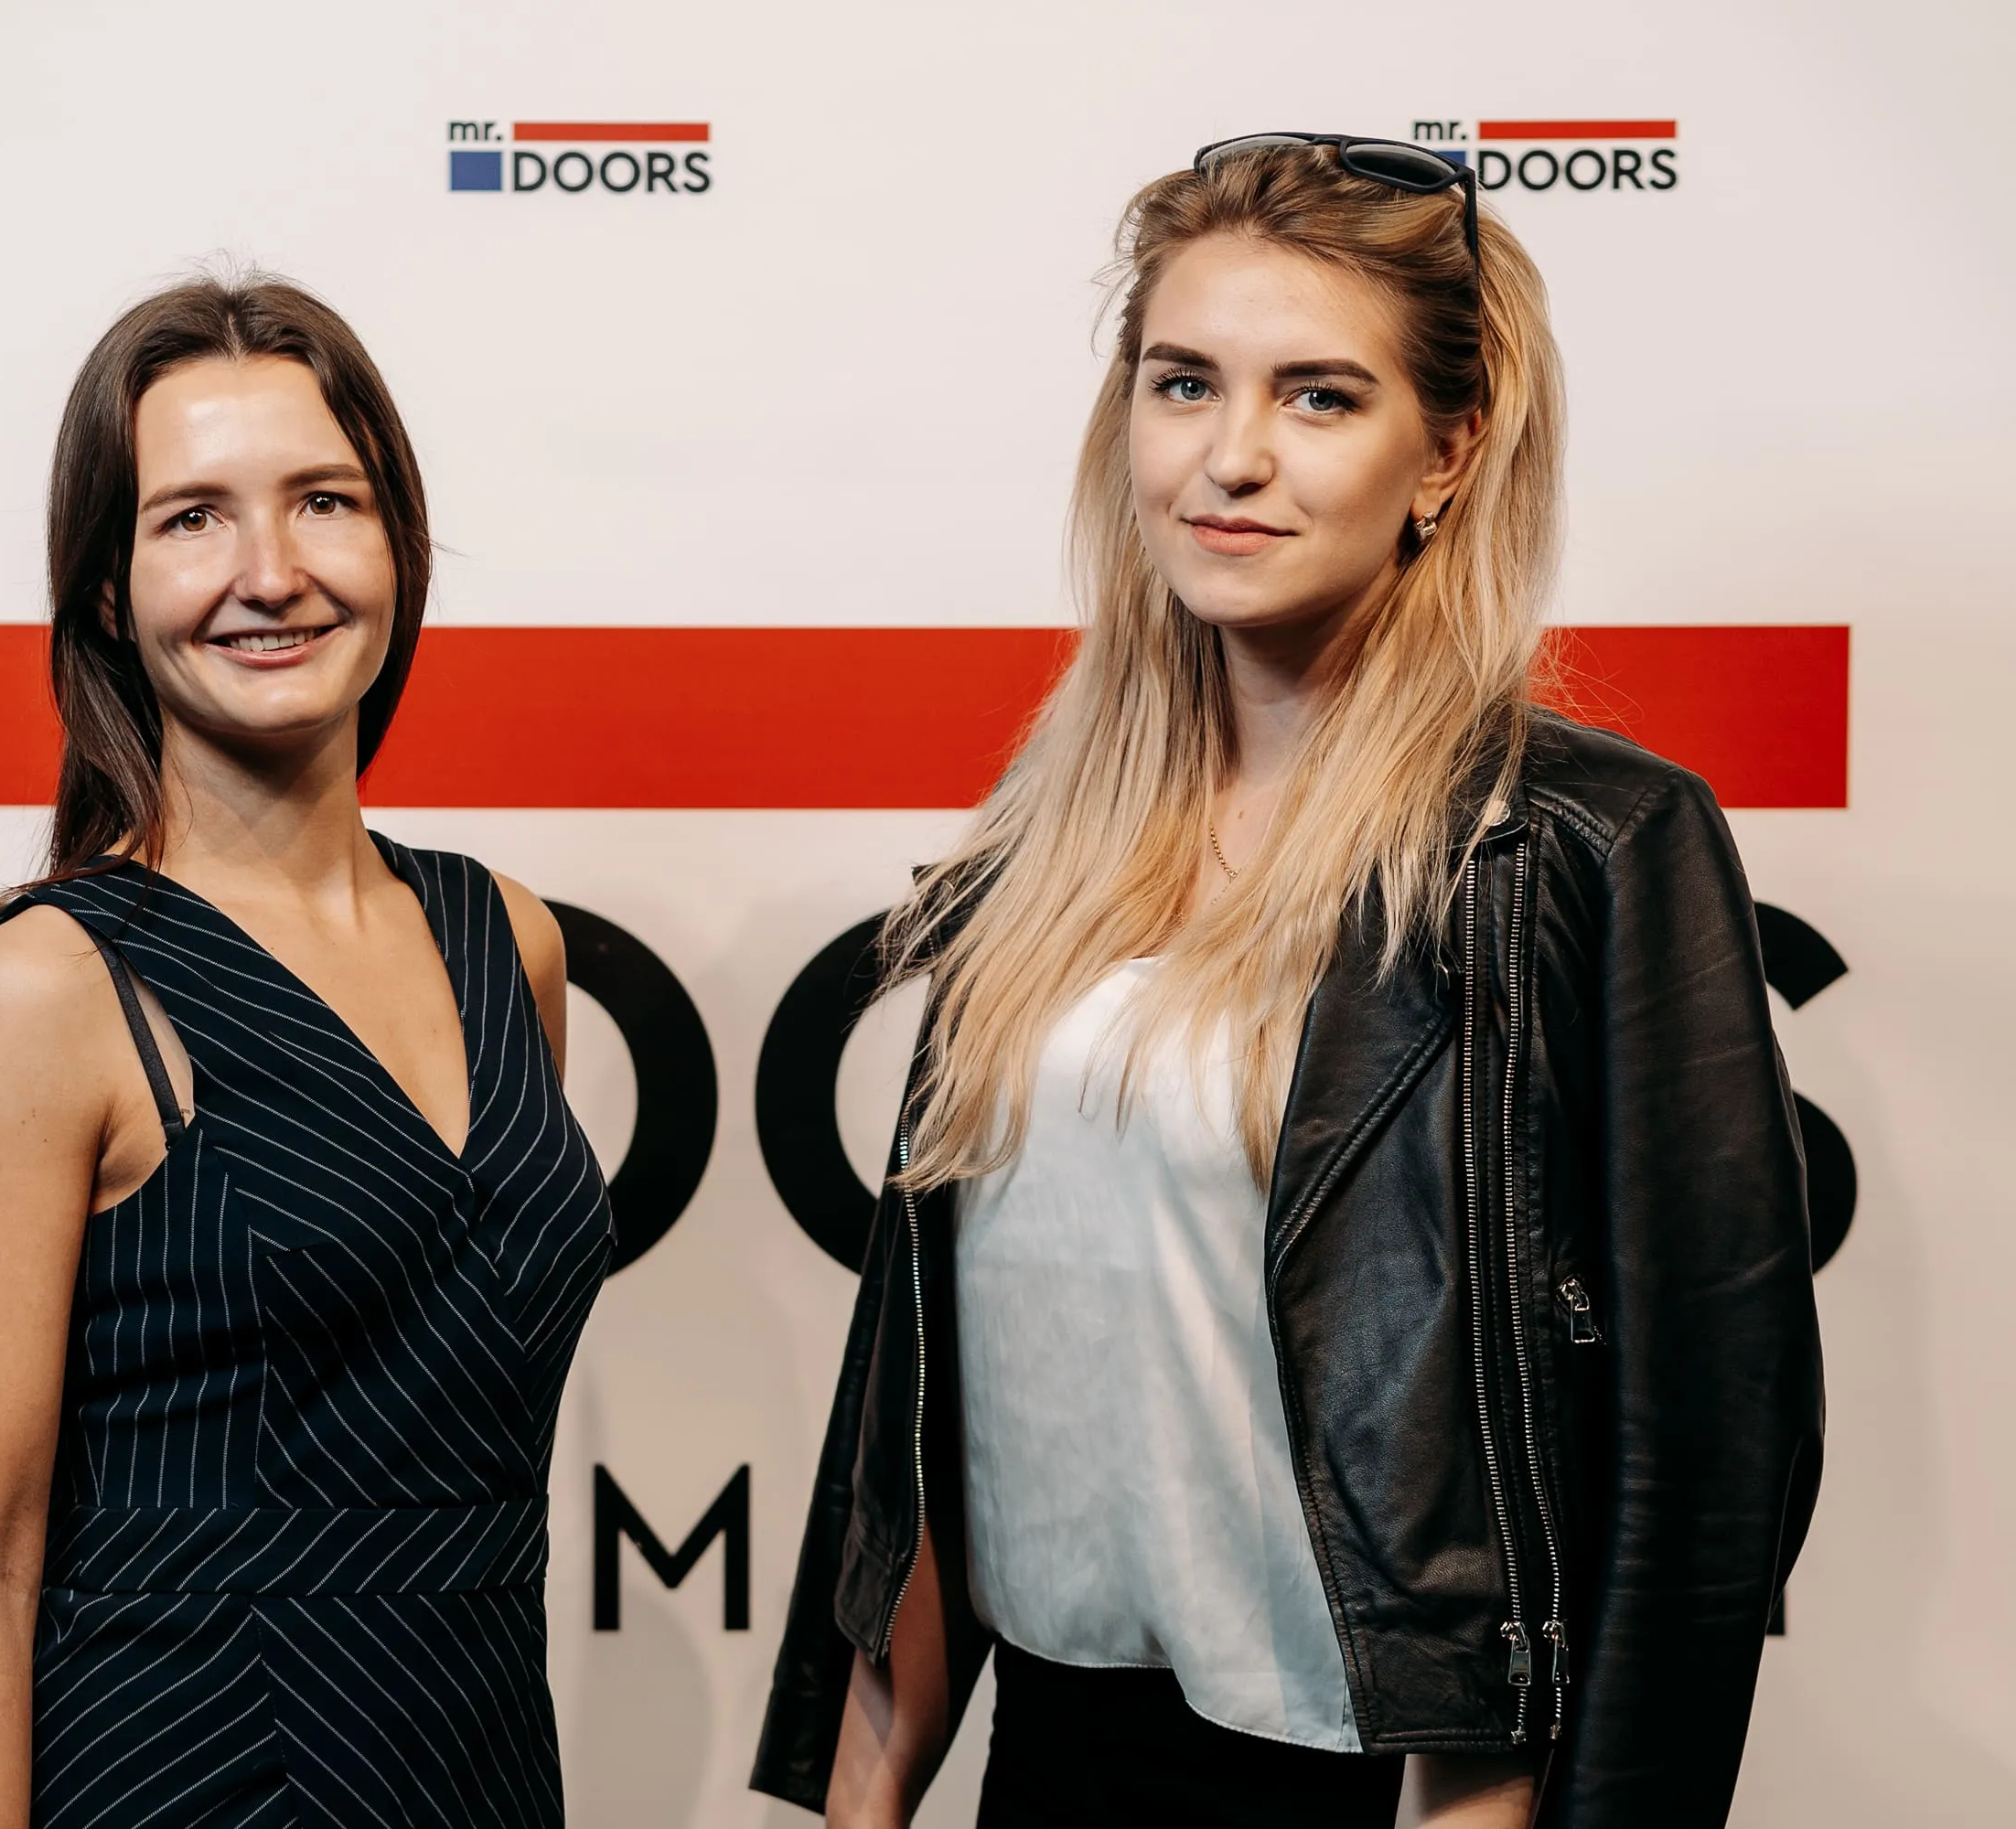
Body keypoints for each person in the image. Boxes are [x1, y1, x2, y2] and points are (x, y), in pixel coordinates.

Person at [752, 136, 1824, 1828]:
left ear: (1447, 453)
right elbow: (935, 1387)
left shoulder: (1576, 846)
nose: (1231, 456)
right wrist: (862, 1795)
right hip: (1058, 1754)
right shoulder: (1050, 845)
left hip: (1395, 1783)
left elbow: (1710, 1449)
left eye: (1320, 397)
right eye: (1185, 383)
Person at [0, 275, 612, 1828]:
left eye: (324, 502)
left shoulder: (510, 940)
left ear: (398, 546)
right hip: (186, 1773)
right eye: (193, 518)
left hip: (482, 1765)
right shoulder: (45, 989)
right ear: (106, 590)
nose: (271, 573)